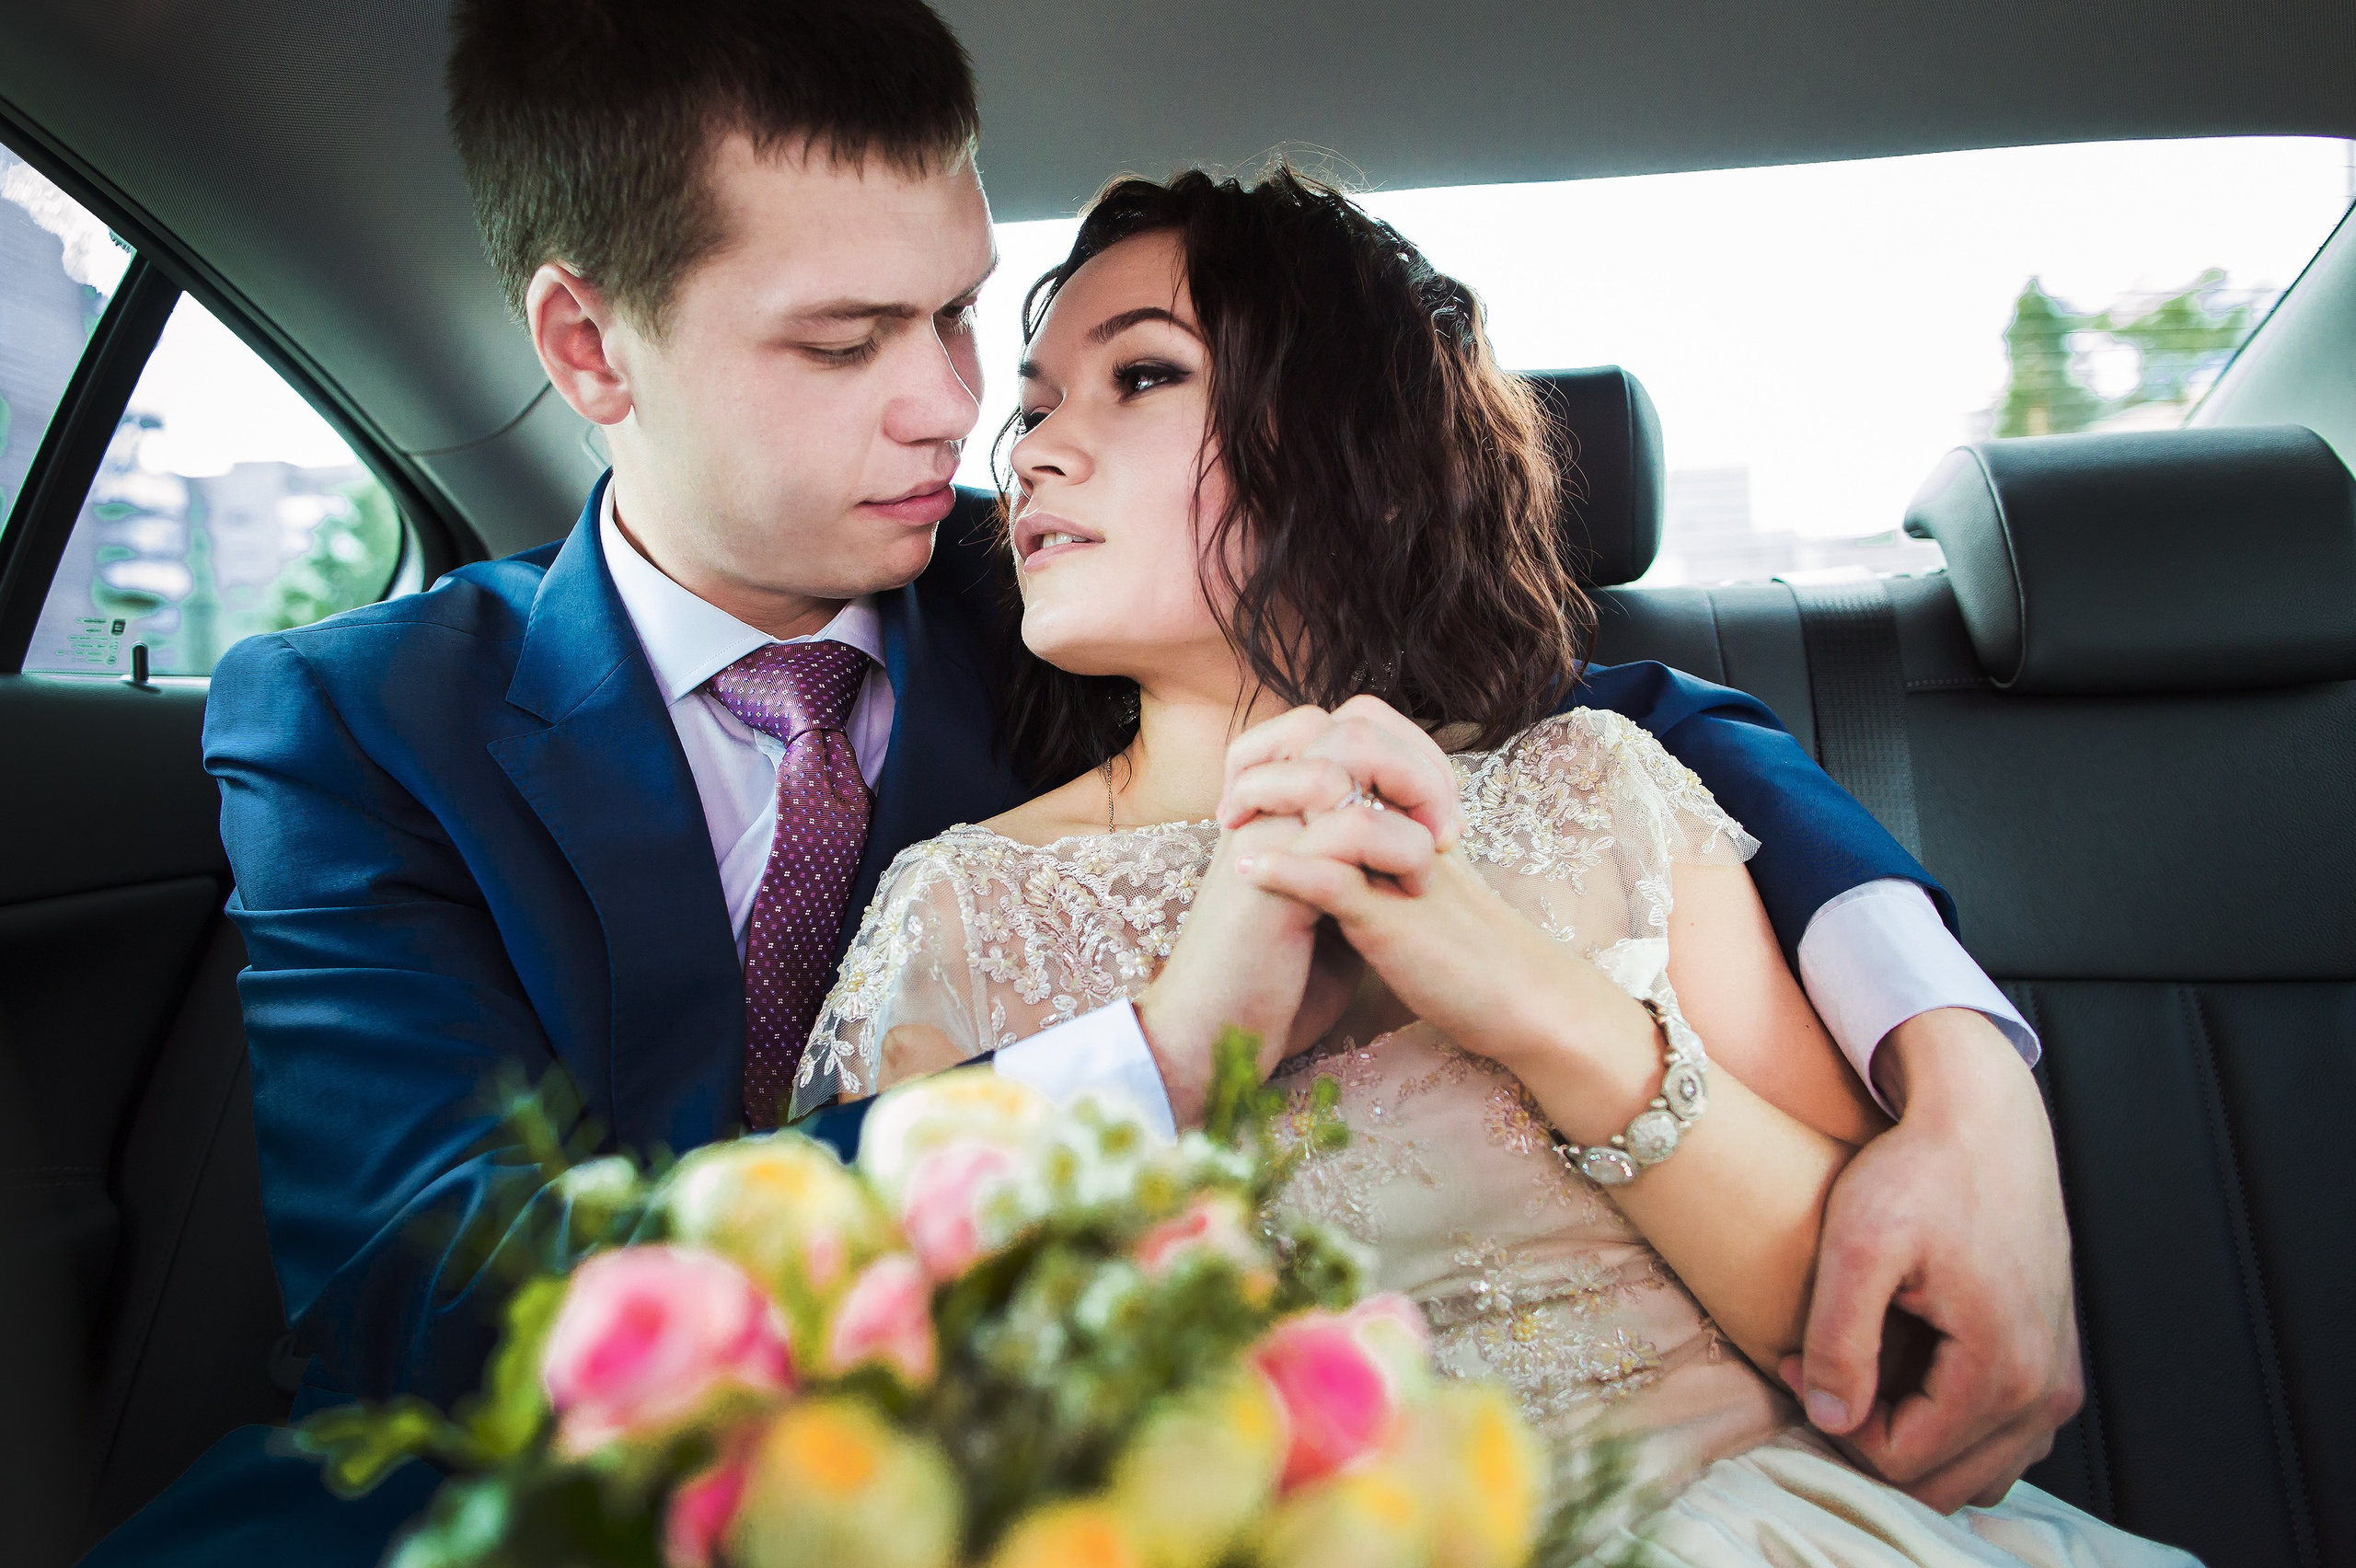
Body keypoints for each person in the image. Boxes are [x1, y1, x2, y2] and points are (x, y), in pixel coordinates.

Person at [85, 4, 2072, 1563]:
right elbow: (443, 1312)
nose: (959, 412)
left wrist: (1958, 1071)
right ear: (590, 349)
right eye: (850, 339)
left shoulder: (1048, 601)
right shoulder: (355, 729)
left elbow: (1594, 717)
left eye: (960, 315)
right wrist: (1154, 1049)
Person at [802, 167, 2191, 1565]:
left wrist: (1532, 1000)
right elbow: (898, 1454)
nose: (1031, 452)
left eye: (1142, 377)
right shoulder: (961, 907)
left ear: (1343, 448)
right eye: (1033, 407)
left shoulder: (1596, 792)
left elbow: (1889, 1356)